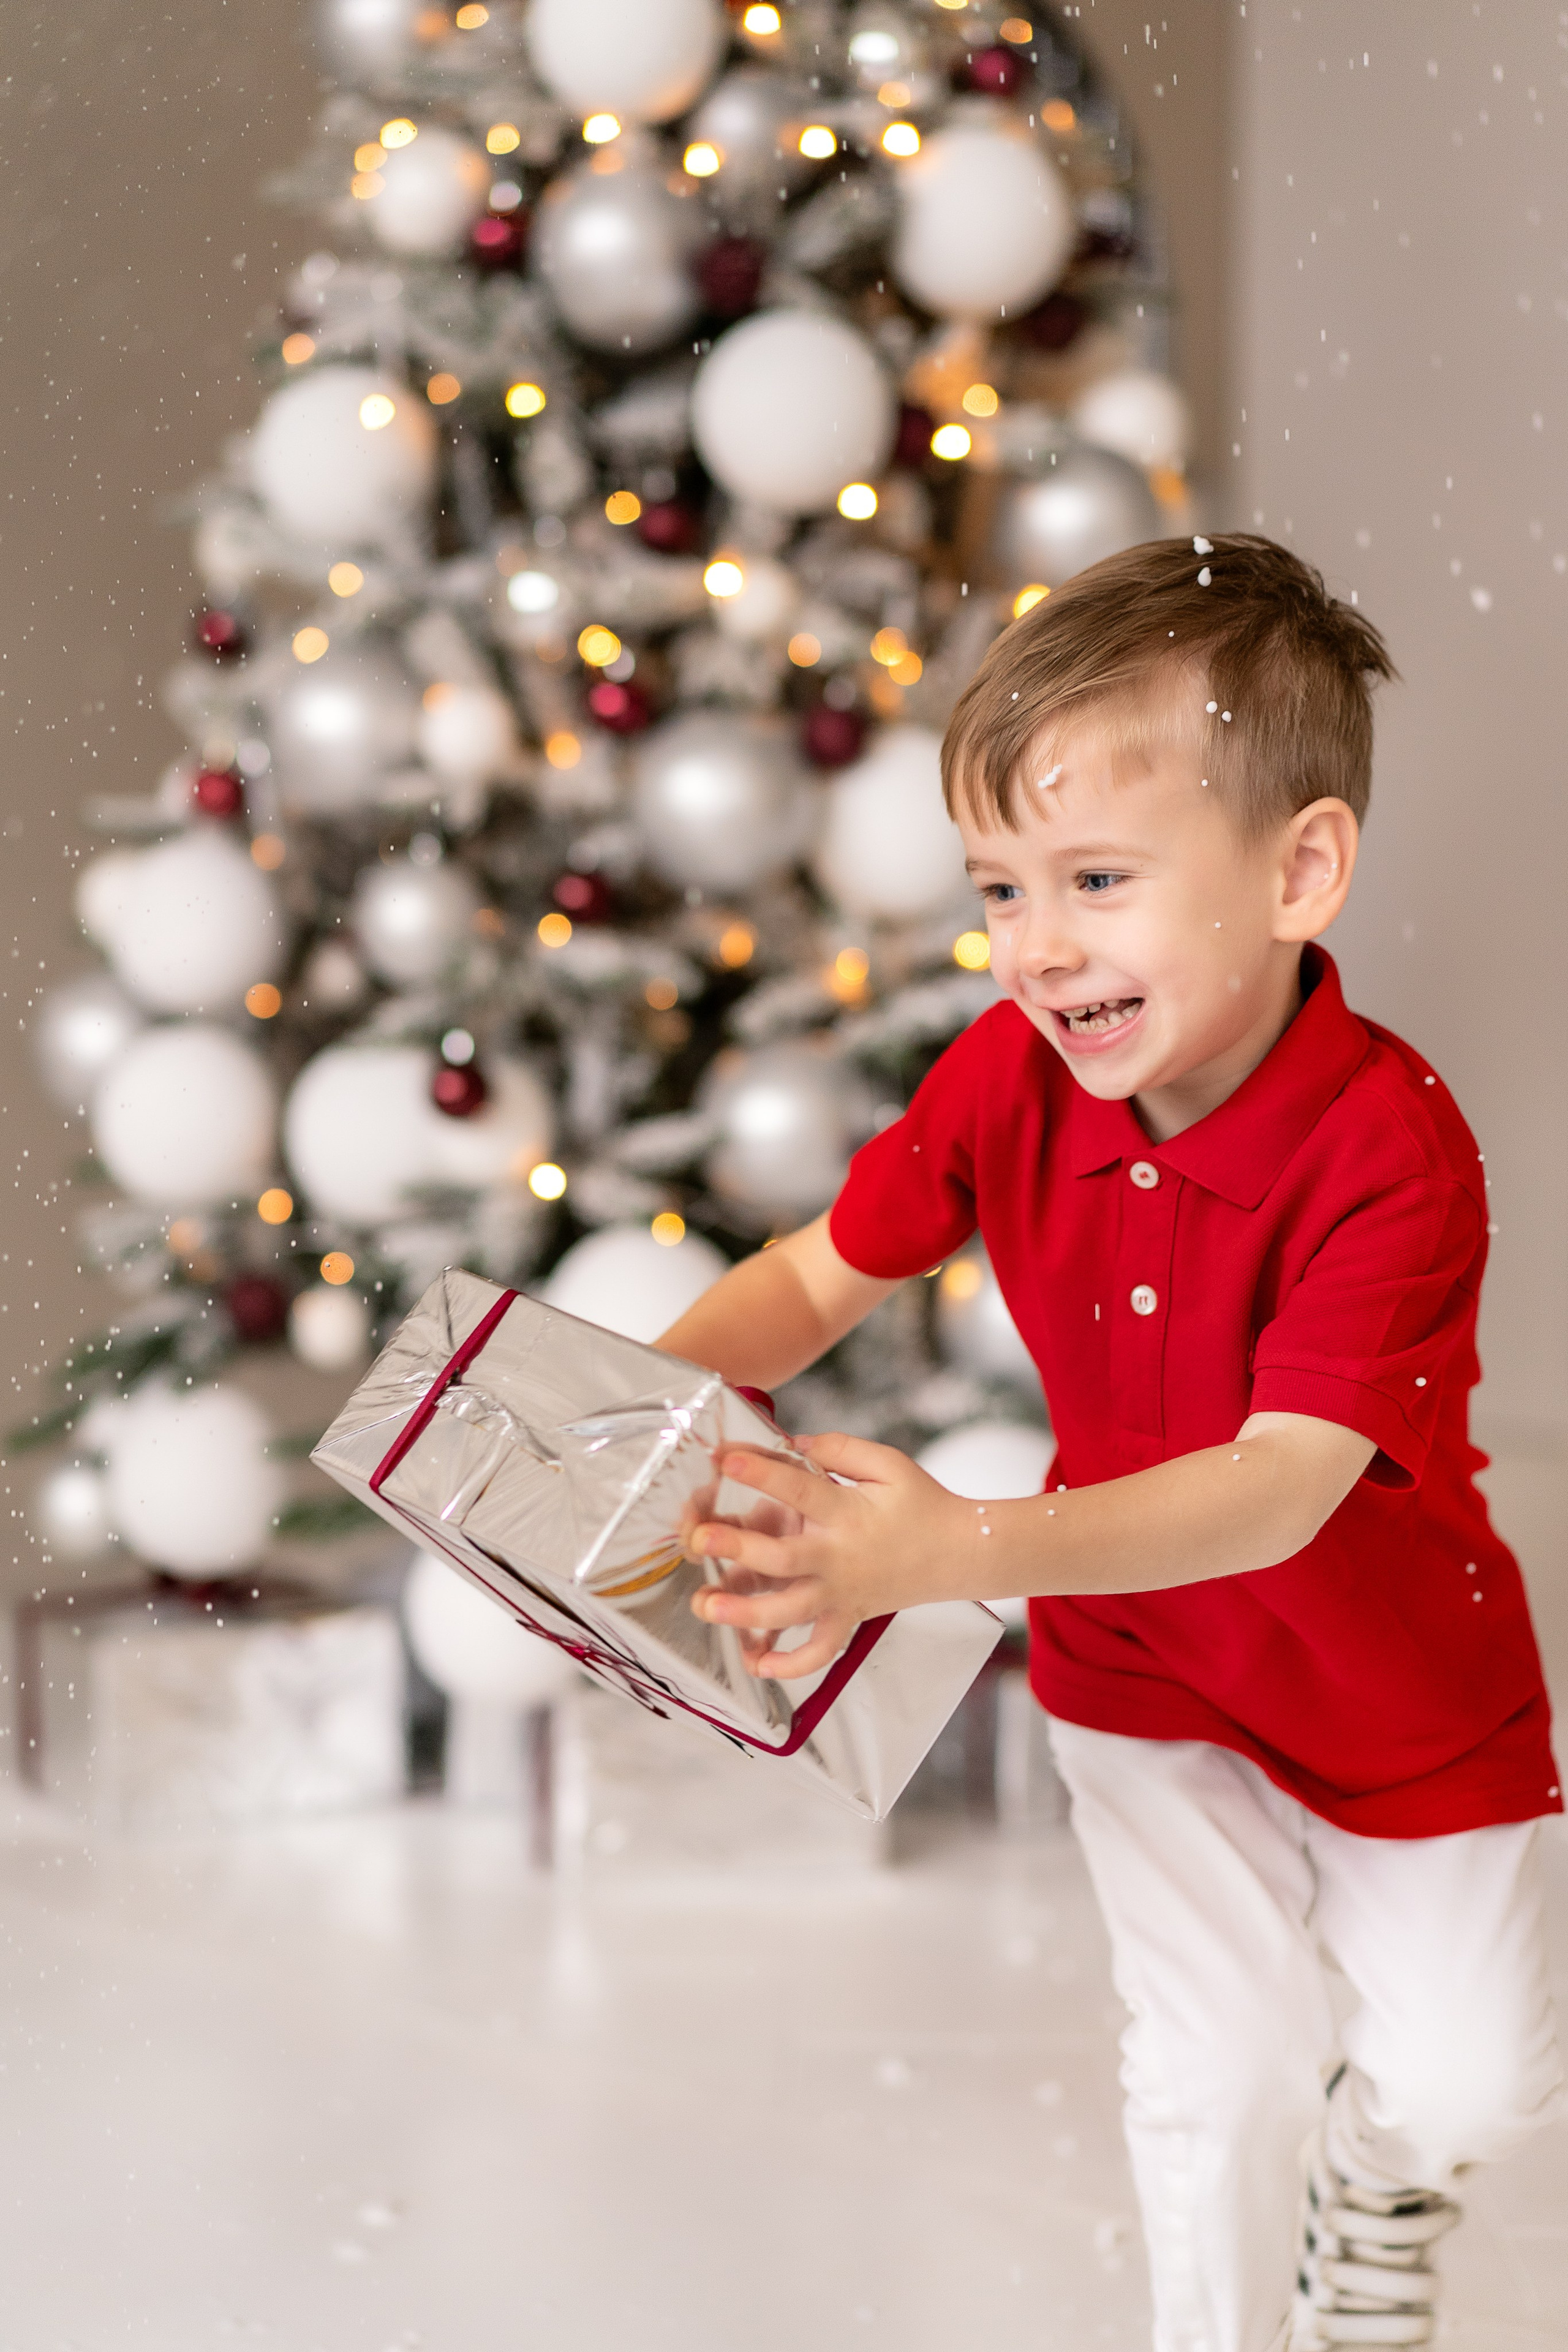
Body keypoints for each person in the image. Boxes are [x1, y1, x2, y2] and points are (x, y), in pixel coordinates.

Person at [655, 535, 1564, 2352]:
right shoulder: (1006, 1077)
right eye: (1001, 889)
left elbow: (1280, 1488)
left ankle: (1378, 2187)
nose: (1038, 947)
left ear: (1300, 872)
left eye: (1095, 880)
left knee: (1474, 2085)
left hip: (1399, 1687)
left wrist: (952, 1551)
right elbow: (816, 1276)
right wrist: (626, 1409)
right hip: (1143, 1672)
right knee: (1214, 2074)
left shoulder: (1395, 1151)